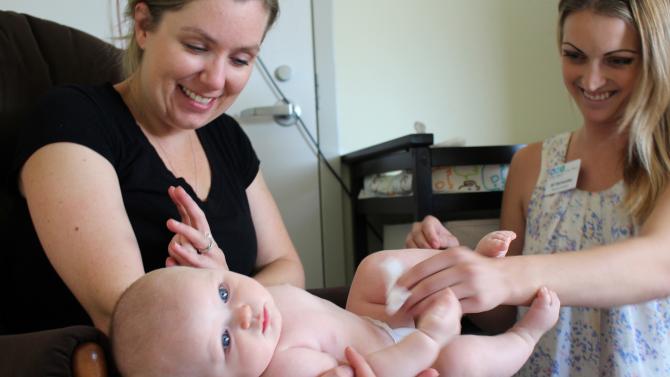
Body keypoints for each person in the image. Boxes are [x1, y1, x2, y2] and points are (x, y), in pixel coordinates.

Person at [3, 0, 304, 335]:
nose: (216, 80)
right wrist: (231, 294)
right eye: (197, 47)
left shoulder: (226, 136)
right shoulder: (72, 119)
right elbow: (128, 315)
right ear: (144, 25)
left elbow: (289, 270)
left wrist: (231, 292)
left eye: (240, 59)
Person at [402, 0, 670, 375]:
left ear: (655, 58)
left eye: (618, 60)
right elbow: (506, 318)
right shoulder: (531, 165)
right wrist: (456, 264)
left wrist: (503, 277)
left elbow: (659, 263)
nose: (591, 81)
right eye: (575, 55)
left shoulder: (663, 163)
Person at [110, 230, 560, 377]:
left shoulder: (263, 298)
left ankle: (456, 264)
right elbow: (377, 371)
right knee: (461, 360)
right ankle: (527, 334)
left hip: (376, 321)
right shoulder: (285, 368)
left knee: (373, 269)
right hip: (407, 360)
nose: (245, 314)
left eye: (224, 293)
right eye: (225, 340)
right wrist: (427, 339)